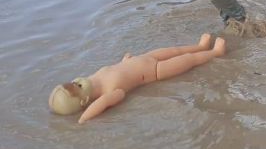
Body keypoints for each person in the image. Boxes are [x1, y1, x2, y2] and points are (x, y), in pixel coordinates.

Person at [49, 34, 226, 124]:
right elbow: (103, 103)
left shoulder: (92, 78)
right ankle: (215, 52)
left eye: (72, 82)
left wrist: (124, 61)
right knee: (188, 60)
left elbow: (113, 69)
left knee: (174, 50)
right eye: (77, 86)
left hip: (143, 57)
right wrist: (83, 119)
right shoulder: (109, 92)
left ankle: (200, 46)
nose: (76, 81)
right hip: (155, 71)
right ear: (85, 100)